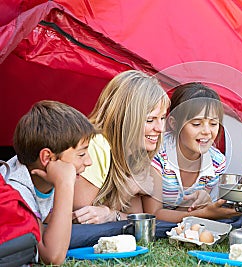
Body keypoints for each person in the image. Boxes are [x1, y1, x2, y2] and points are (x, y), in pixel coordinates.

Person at [0, 100, 96, 265]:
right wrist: (64, 184)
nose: (89, 161)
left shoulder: (41, 178)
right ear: (46, 158)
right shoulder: (16, 189)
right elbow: (52, 257)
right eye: (81, 154)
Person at [73, 70, 170, 224]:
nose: (160, 128)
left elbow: (136, 218)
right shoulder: (97, 145)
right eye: (150, 120)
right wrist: (129, 189)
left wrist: (112, 214)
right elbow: (80, 217)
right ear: (125, 118)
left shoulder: (135, 151)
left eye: (162, 118)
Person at [143, 82, 240, 223]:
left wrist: (201, 203)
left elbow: (189, 210)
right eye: (196, 124)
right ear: (174, 123)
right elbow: (153, 215)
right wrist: (204, 213)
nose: (207, 131)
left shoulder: (216, 162)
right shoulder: (157, 154)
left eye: (213, 124)